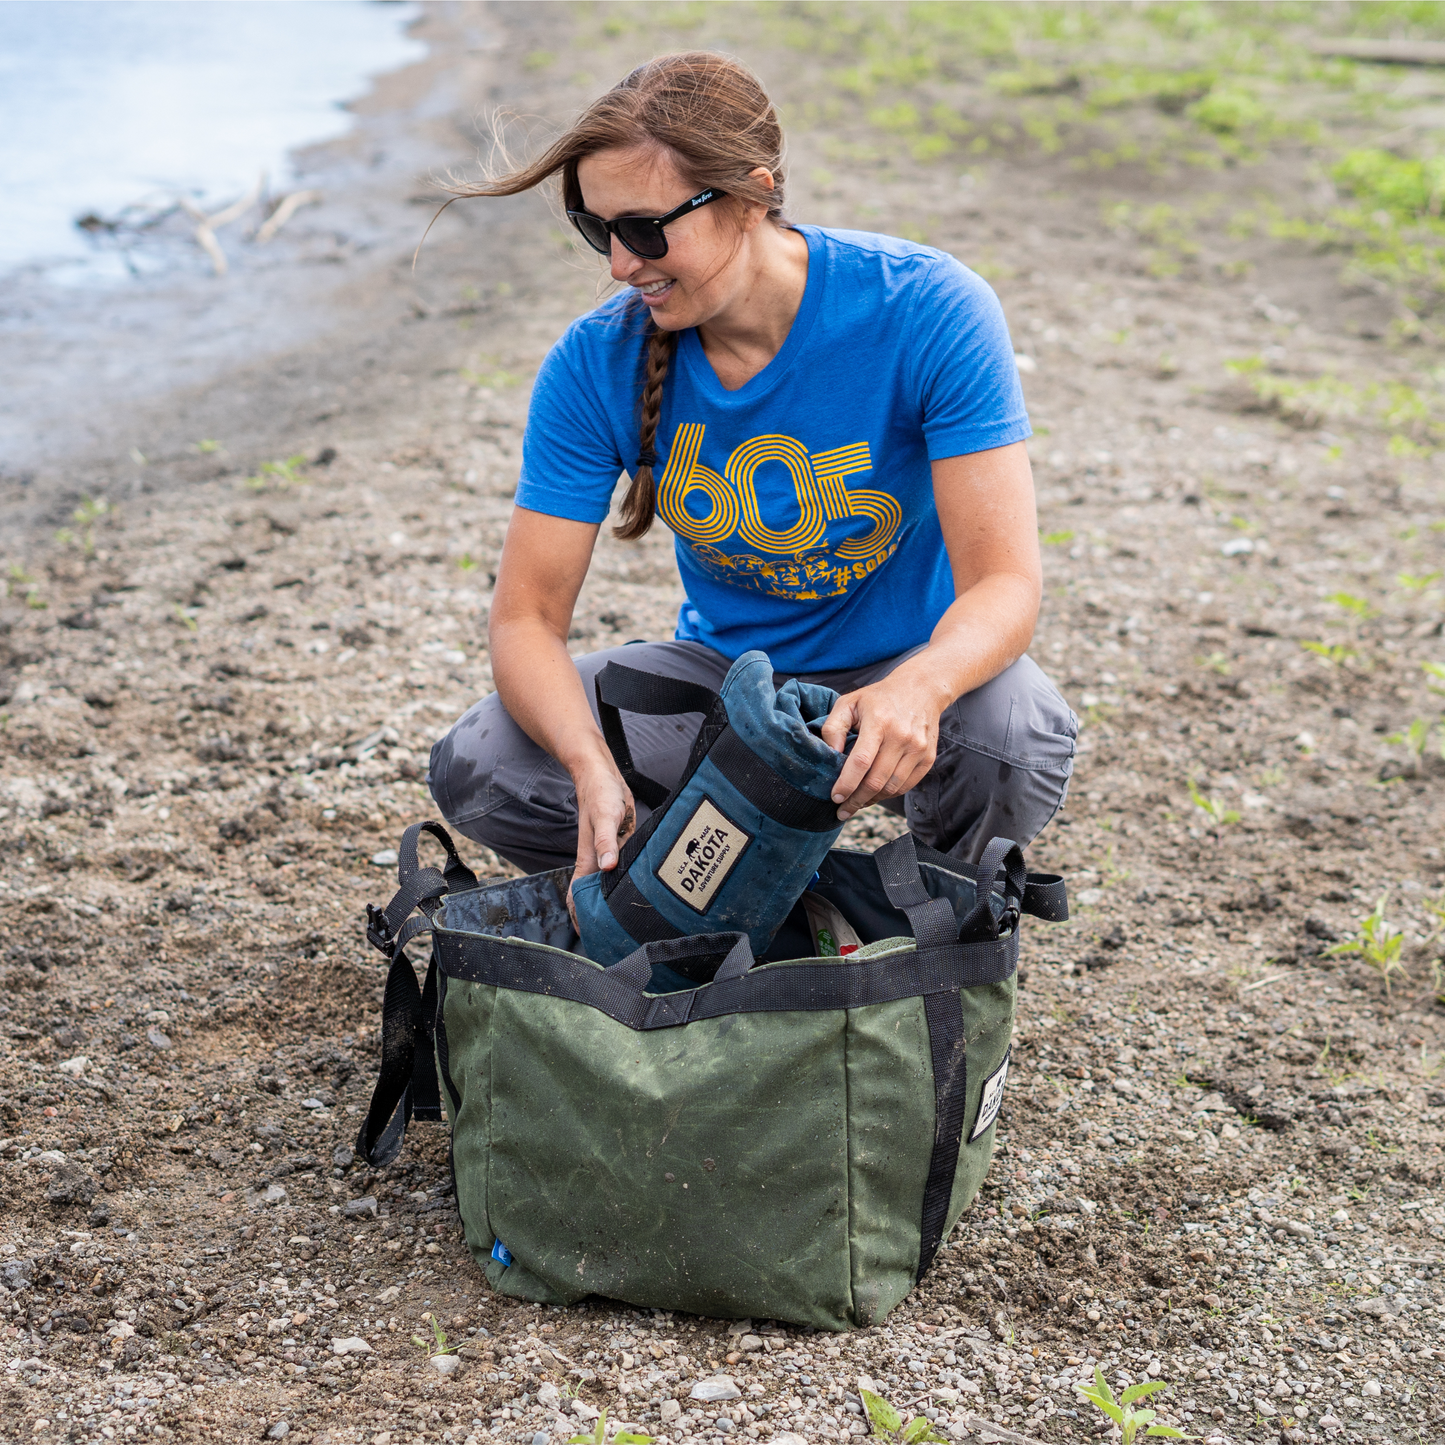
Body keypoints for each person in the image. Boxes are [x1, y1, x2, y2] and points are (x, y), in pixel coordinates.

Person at [427, 51, 1077, 896]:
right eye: (600, 231)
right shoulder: (595, 362)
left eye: (646, 229)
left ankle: (941, 913)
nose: (622, 265)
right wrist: (588, 764)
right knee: (486, 761)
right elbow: (525, 620)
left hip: (912, 664)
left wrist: (919, 685)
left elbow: (1004, 583)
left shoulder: (927, 309)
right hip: (732, 687)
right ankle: (738, 898)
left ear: (750, 194)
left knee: (1011, 735)